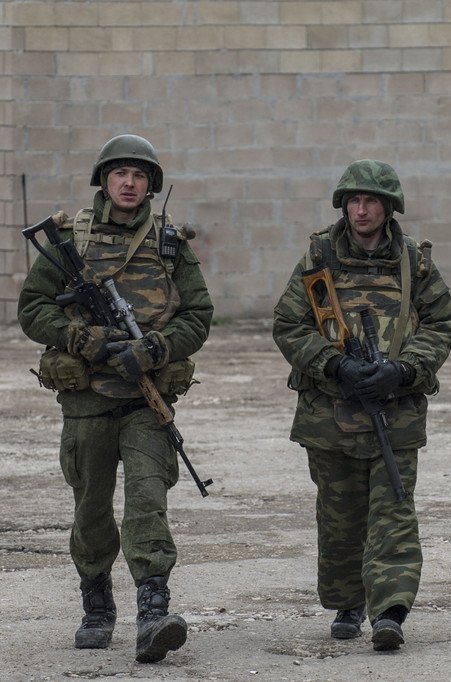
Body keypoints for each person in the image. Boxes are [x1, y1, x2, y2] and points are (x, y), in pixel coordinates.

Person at [17, 134, 213, 663]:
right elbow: (33, 308)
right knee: (91, 508)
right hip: (88, 400)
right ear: (104, 180)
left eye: (139, 175)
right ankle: (97, 605)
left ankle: (153, 611)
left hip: (146, 402)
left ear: (151, 184)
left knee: (148, 500)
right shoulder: (70, 238)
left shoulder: (170, 243)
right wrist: (83, 339)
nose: (129, 183)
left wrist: (154, 349)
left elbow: (198, 315)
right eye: (120, 173)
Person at [272, 160, 451, 652]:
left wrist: (405, 369)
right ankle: (348, 602)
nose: (360, 210)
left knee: (393, 511)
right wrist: (335, 366)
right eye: (353, 200)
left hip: (395, 413)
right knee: (341, 518)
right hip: (329, 415)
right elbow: (289, 324)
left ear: (388, 207)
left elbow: (442, 321)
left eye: (370, 201)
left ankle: (390, 610)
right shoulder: (319, 257)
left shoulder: (413, 262)